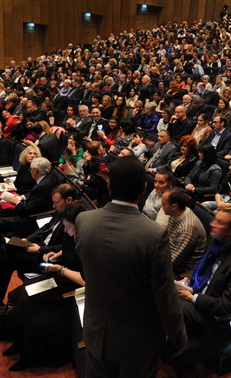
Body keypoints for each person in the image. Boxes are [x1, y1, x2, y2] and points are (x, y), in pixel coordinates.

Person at [74, 156, 186, 377]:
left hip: (96, 330)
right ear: (144, 188)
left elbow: (88, 271)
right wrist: (178, 336)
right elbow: (164, 293)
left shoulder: (84, 221)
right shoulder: (153, 234)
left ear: (109, 185)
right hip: (137, 340)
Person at [3, 203, 87, 371]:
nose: (65, 230)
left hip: (71, 288)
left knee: (28, 305)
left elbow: (85, 280)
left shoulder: (88, 244)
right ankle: (19, 344)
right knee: (19, 295)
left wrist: (60, 269)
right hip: (60, 276)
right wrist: (57, 256)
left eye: (68, 226)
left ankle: (27, 354)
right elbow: (67, 250)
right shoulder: (72, 236)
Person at [174, 206, 231, 371]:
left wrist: (193, 298)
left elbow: (227, 305)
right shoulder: (217, 240)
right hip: (196, 293)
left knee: (167, 304)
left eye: (219, 222)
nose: (213, 224)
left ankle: (172, 350)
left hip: (210, 316)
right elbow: (200, 265)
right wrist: (187, 280)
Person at [161, 188, 207, 277]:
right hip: (167, 255)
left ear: (174, 206)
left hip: (181, 271)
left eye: (163, 203)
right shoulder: (175, 213)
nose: (161, 206)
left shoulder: (187, 229)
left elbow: (174, 262)